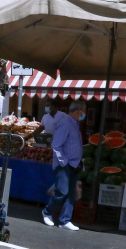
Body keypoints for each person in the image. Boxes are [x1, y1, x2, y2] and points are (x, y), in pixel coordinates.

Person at [42, 99, 85, 231]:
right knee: (62, 191)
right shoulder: (66, 124)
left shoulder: (75, 124)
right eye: (83, 111)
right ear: (78, 112)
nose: (84, 114)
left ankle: (64, 220)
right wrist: (63, 161)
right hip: (65, 164)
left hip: (74, 163)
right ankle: (47, 212)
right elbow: (56, 144)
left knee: (71, 193)